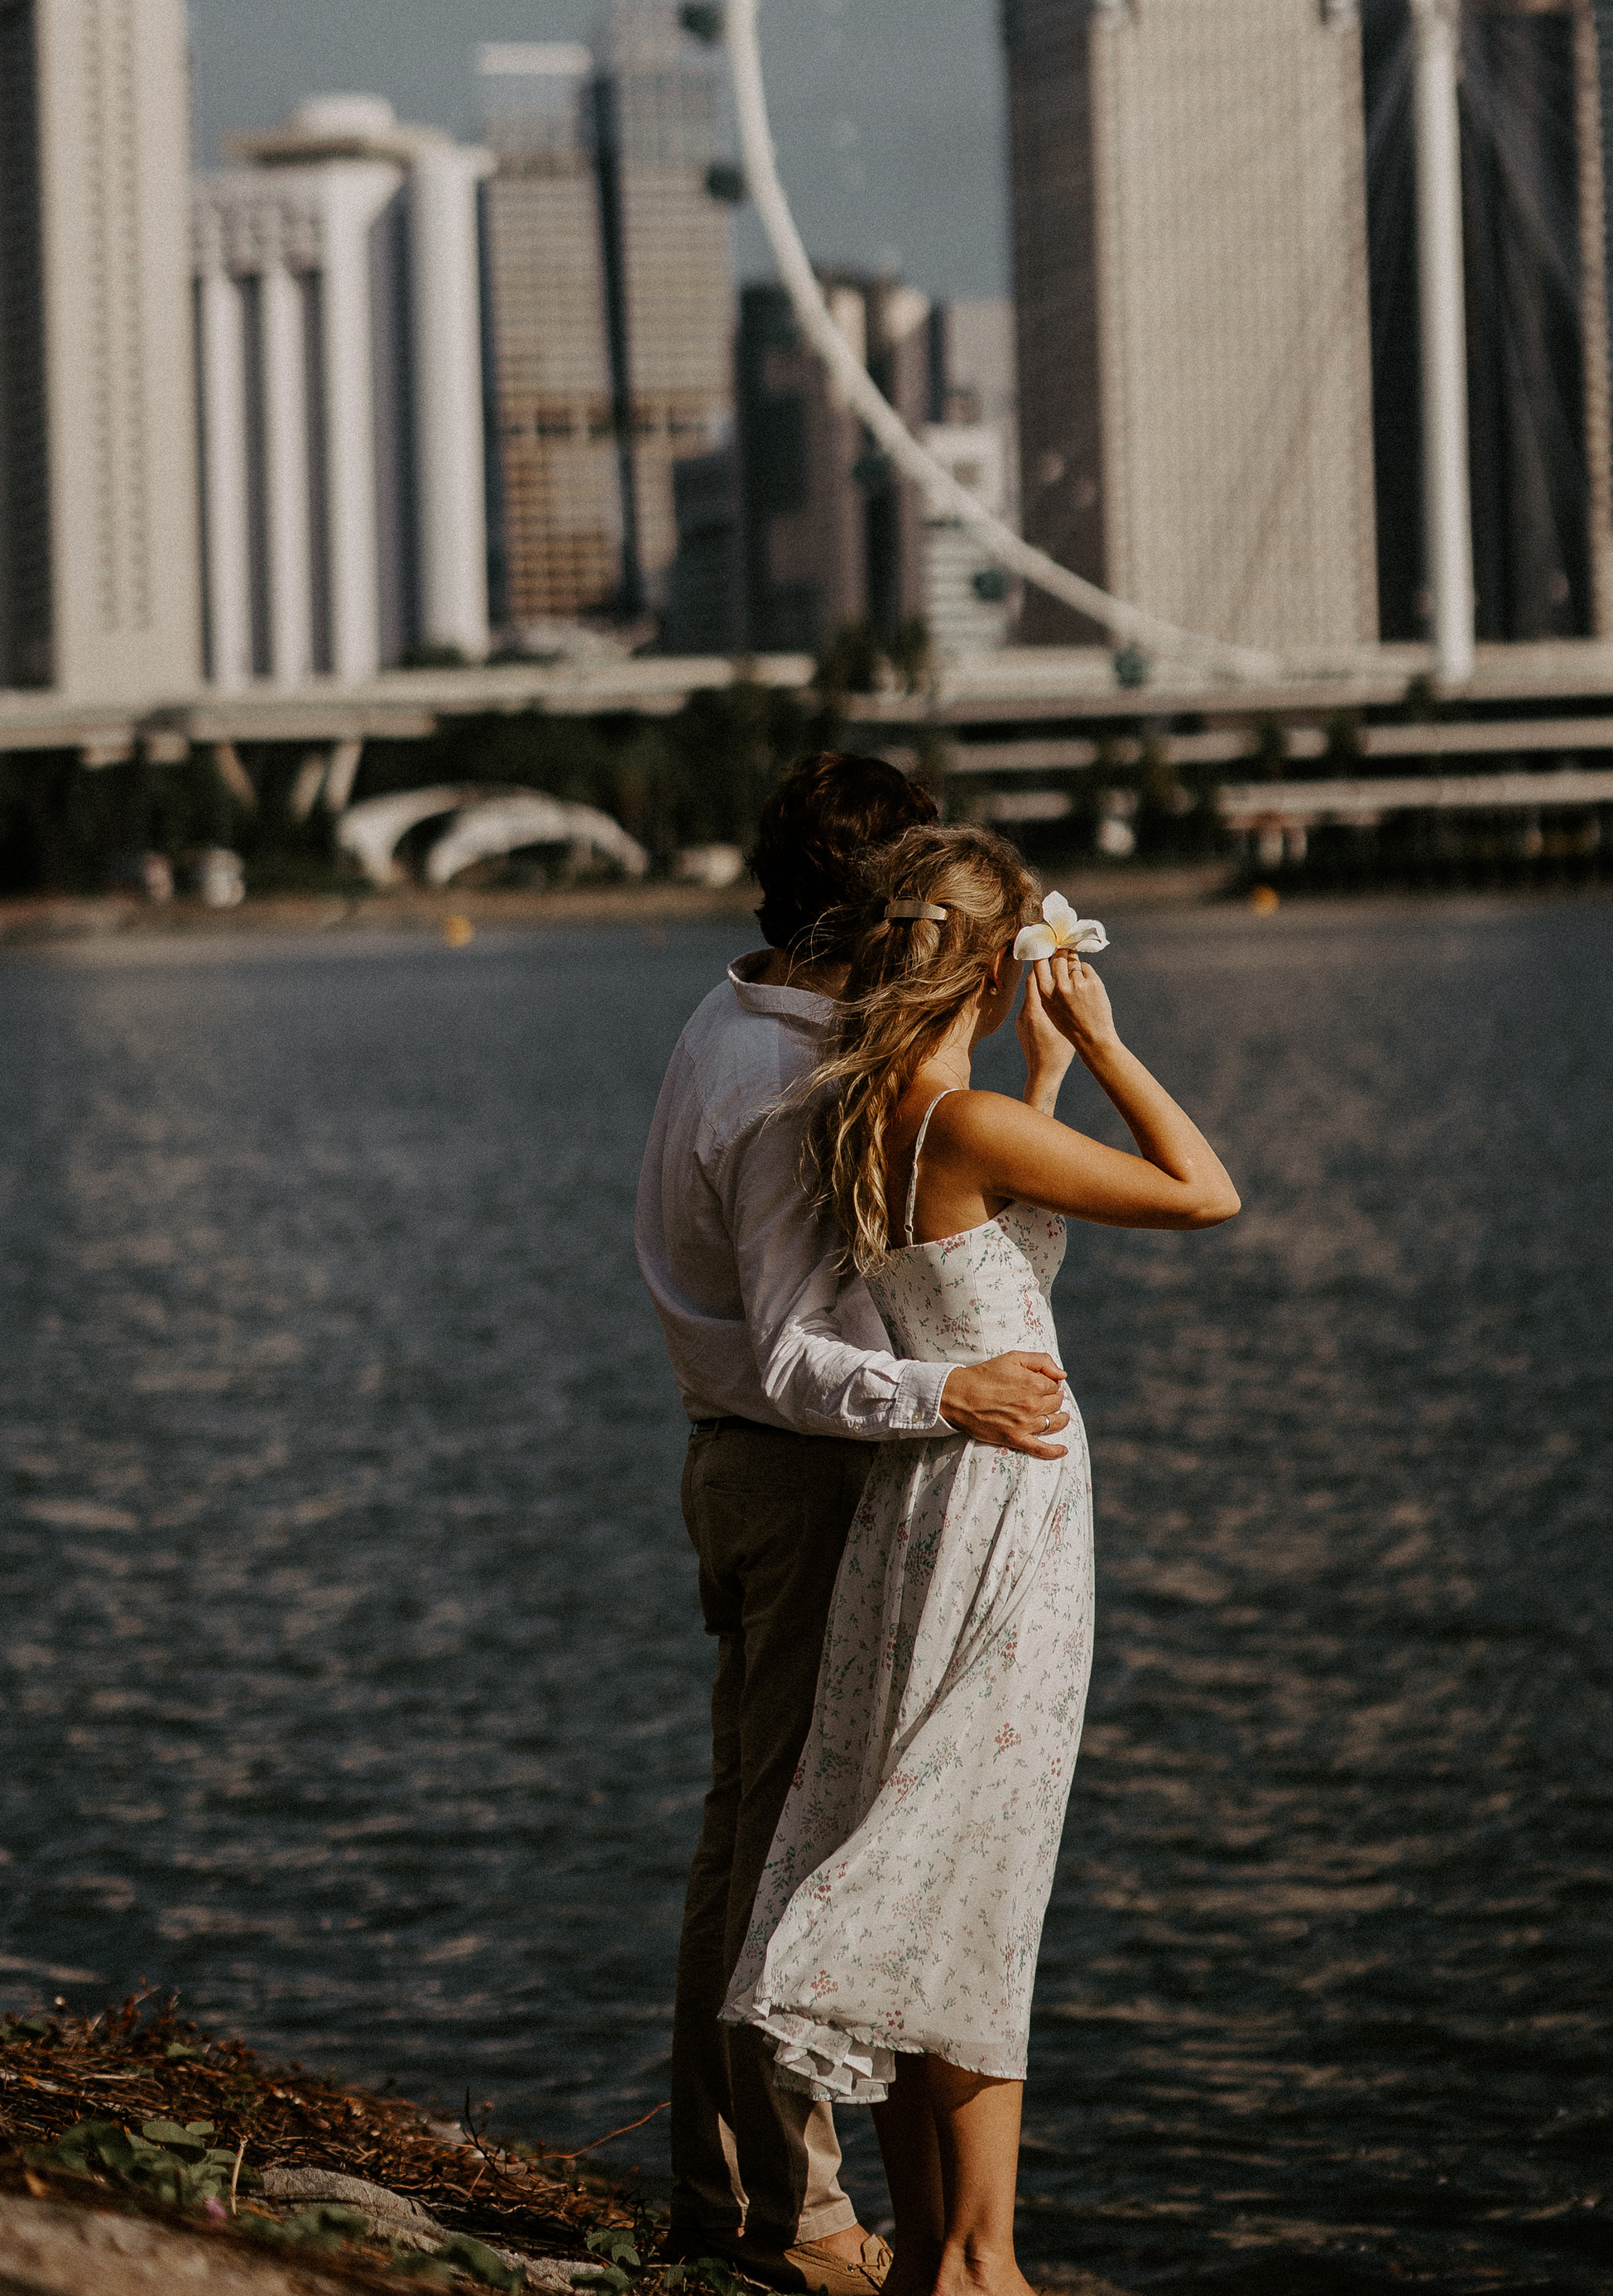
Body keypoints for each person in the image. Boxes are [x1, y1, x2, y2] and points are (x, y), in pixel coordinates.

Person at [722, 823, 1240, 2296]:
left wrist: (1043, 1079)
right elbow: (1205, 1191)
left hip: (921, 1510)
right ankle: (981, 2260)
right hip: (1009, 1515)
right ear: (991, 969)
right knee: (984, 1870)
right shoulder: (960, 1127)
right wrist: (1106, 1042)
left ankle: (930, 2257)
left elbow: (982, 1251)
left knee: (932, 1843)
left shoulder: (866, 1111)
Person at [637, 756, 1073, 2294]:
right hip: (797, 1469)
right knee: (789, 1850)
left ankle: (742, 2193)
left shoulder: (740, 1019)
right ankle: (790, 2215)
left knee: (758, 1834)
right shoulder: (783, 1083)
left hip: (759, 1468)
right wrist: (950, 1394)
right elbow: (791, 1354)